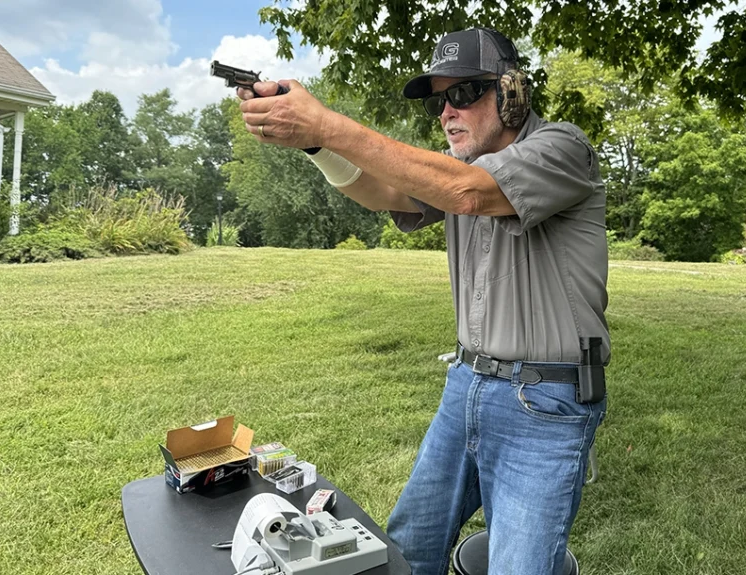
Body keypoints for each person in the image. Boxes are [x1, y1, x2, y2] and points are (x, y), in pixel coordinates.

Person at [237, 26, 609, 575]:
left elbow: (467, 191)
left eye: (463, 94)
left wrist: (328, 122)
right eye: (441, 100)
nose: (447, 113)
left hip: (546, 400)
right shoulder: (453, 169)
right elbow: (382, 190)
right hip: (467, 383)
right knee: (408, 546)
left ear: (512, 93)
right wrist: (316, 142)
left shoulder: (561, 148)